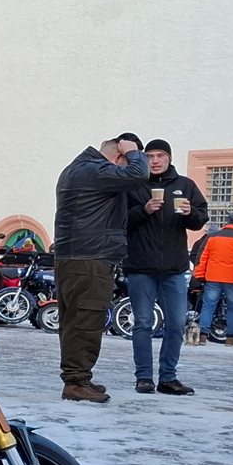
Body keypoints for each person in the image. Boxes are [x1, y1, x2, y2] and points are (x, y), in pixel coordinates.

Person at [52, 132, 149, 402]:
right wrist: (133, 152)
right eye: (126, 159)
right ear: (118, 156)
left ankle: (78, 377)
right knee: (86, 320)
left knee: (76, 320)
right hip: (90, 258)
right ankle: (76, 382)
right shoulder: (94, 170)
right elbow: (138, 175)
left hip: (80, 257)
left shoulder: (81, 169)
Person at [122, 138, 208, 394]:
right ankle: (144, 377)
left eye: (160, 155)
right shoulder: (134, 185)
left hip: (174, 267)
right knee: (143, 322)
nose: (155, 161)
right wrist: (144, 210)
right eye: (150, 156)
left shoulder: (185, 185)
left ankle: (168, 377)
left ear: (169, 158)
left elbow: (201, 218)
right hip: (140, 266)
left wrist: (191, 213)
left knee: (177, 324)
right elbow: (119, 220)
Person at [191, 215, 233, 344]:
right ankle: (231, 337)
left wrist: (199, 275)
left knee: (208, 306)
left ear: (227, 223)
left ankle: (203, 335)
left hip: (213, 277)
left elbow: (202, 257)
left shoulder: (212, 237)